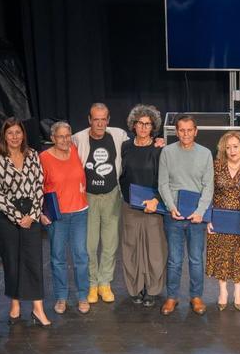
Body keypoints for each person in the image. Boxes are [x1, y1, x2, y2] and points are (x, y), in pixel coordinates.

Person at [0, 117, 49, 326]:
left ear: (23, 134)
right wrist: (16, 216)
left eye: (18, 132)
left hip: (30, 213)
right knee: (12, 262)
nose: (15, 137)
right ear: (4, 136)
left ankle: (38, 309)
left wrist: (32, 215)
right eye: (10, 133)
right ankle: (15, 306)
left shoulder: (32, 155)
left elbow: (39, 185)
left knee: (34, 261)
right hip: (6, 216)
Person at [71, 103, 128, 305]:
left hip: (111, 196)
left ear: (108, 120)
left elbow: (139, 143)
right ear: (89, 120)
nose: (100, 123)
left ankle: (105, 283)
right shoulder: (78, 138)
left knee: (110, 244)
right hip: (88, 198)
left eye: (104, 119)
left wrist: (156, 142)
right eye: (96, 119)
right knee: (90, 245)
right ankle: (92, 284)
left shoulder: (118, 135)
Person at [158, 115, 214, 316]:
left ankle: (196, 297)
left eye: (189, 130)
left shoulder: (205, 154)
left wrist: (200, 212)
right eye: (181, 130)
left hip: (196, 219)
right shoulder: (167, 152)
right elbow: (163, 183)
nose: (186, 134)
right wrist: (171, 207)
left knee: (196, 259)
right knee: (174, 259)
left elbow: (209, 186)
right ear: (176, 131)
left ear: (196, 131)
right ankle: (172, 297)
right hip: (173, 215)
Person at [40, 121, 91, 315]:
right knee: (58, 258)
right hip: (57, 216)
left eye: (67, 136)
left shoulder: (76, 151)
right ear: (52, 138)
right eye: (60, 136)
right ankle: (61, 297)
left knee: (81, 257)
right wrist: (41, 213)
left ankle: (83, 296)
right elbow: (38, 187)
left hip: (79, 212)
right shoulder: (43, 157)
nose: (64, 140)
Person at [119, 104, 166, 307]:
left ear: (153, 127)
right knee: (131, 249)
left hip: (153, 206)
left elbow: (164, 179)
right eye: (140, 123)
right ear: (134, 125)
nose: (144, 127)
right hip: (130, 206)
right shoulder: (125, 147)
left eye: (148, 124)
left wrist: (156, 199)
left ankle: (153, 290)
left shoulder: (159, 149)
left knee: (155, 250)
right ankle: (135, 289)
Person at [206, 131, 240, 310]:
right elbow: (208, 192)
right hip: (220, 218)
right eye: (228, 147)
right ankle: (223, 291)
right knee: (221, 255)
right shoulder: (216, 165)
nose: (232, 151)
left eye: (235, 146)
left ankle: (238, 291)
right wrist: (208, 218)